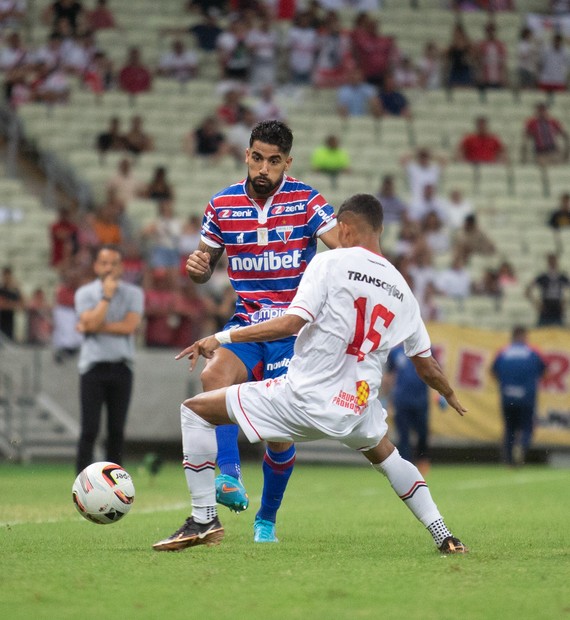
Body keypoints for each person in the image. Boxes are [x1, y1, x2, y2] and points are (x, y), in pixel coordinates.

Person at [153, 193, 468, 554]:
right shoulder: (401, 288)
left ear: (344, 228)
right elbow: (425, 363)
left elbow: (289, 323)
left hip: (304, 397)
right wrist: (450, 394)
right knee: (389, 457)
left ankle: (204, 518)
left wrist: (221, 336)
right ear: (379, 231)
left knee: (194, 410)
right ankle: (444, 534)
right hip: (357, 403)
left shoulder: (329, 263)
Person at [164, 120, 338, 545]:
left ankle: (267, 518)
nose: (264, 168)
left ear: (287, 162)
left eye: (274, 161)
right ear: (247, 155)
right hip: (246, 325)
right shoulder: (222, 204)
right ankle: (229, 476)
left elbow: (344, 250)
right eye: (257, 158)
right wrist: (198, 268)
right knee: (211, 380)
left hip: (292, 331)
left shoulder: (307, 201)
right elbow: (203, 264)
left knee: (277, 438)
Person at [74, 244, 144, 473]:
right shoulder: (84, 293)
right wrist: (106, 297)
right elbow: (93, 324)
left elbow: (129, 326)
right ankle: (82, 481)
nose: (109, 268)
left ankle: (114, 481)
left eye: (114, 263)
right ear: (96, 266)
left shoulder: (134, 294)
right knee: (89, 429)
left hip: (122, 367)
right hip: (92, 367)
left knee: (116, 430)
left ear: (122, 267)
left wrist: (92, 325)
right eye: (104, 263)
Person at [491, 326, 547, 466]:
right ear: (524, 336)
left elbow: (493, 371)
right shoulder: (533, 352)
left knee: (510, 427)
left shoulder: (503, 352)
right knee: (527, 426)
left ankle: (509, 460)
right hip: (526, 396)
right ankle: (521, 445)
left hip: (507, 395)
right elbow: (544, 370)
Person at [385, 343, 434, 476]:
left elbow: (434, 370)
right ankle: (406, 466)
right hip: (401, 401)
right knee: (403, 435)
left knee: (422, 433)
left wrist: (439, 393)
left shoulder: (426, 348)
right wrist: (387, 399)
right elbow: (390, 375)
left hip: (421, 400)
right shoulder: (395, 352)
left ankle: (423, 462)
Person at [525, 253, 570, 326]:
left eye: (554, 261)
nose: (552, 263)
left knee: (560, 332)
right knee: (541, 332)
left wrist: (566, 302)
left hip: (558, 308)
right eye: (550, 261)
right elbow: (527, 290)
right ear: (548, 262)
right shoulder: (542, 277)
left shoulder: (562, 277)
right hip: (545, 308)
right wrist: (536, 303)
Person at [521, 102, 569, 166]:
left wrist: (566, 149)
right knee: (544, 168)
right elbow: (526, 135)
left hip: (553, 150)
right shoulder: (532, 122)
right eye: (539, 110)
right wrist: (524, 150)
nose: (541, 112)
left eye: (543, 110)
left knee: (556, 169)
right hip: (541, 151)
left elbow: (563, 134)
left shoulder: (552, 121)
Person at [0, 265, 23, 340]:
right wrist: (13, 305)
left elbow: (22, 304)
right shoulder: (1, 290)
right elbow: (2, 305)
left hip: (10, 323)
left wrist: (17, 288)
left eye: (8, 276)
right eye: (5, 276)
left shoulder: (13, 290)